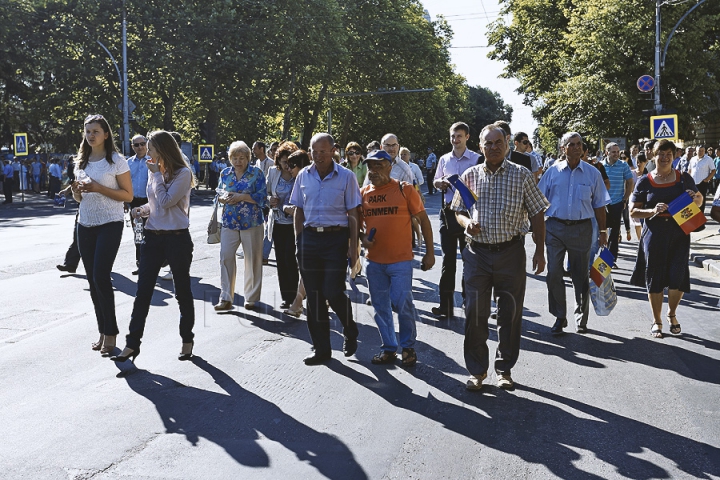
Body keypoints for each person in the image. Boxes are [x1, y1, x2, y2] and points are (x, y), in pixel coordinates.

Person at [452, 124, 548, 390]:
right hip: (477, 254)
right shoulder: (470, 175)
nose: (493, 148)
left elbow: (537, 212)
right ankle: (477, 371)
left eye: (498, 143)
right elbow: (458, 210)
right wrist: (466, 223)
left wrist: (540, 250)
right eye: (487, 144)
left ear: (506, 144)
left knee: (509, 313)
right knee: (475, 313)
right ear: (480, 146)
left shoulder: (522, 175)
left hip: (511, 253)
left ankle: (504, 369)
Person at [112, 130, 196, 363]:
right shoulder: (155, 171)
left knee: (182, 291)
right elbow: (156, 205)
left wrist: (156, 176)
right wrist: (142, 211)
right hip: (153, 237)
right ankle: (131, 345)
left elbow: (168, 202)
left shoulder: (182, 173)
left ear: (162, 149)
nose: (146, 152)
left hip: (177, 238)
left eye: (150, 148)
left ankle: (187, 340)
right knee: (143, 292)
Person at [290, 132, 361, 365]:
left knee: (332, 291)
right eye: (314, 151)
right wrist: (299, 240)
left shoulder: (347, 177)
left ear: (333, 151)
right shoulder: (303, 175)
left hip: (335, 240)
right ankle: (322, 350)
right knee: (314, 296)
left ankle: (350, 329)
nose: (318, 156)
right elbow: (298, 210)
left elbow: (353, 214)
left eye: (323, 151)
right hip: (309, 239)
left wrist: (353, 248)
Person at [360, 150, 435, 367]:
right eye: (370, 166)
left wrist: (430, 253)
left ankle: (408, 347)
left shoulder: (404, 189)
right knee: (380, 306)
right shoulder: (364, 193)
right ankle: (389, 348)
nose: (373, 171)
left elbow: (424, 221)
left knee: (403, 303)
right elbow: (356, 226)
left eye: (378, 166)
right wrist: (363, 239)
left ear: (390, 167)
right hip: (373, 262)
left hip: (400, 261)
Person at [70, 114, 133, 355]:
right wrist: (77, 192)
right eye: (87, 131)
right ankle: (102, 331)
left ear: (106, 134)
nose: (91, 135)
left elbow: (127, 195)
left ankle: (112, 334)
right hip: (85, 223)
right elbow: (80, 199)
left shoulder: (117, 161)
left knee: (101, 276)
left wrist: (98, 188)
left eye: (95, 131)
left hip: (110, 222)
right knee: (93, 280)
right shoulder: (81, 162)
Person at [629, 140, 703, 338]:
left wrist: (694, 197)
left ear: (674, 155)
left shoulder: (683, 178)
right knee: (654, 276)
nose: (665, 157)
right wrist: (653, 210)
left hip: (679, 232)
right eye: (661, 153)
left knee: (677, 274)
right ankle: (657, 320)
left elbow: (699, 199)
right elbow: (633, 211)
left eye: (669, 153)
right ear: (654, 155)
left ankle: (671, 313)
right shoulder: (645, 181)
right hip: (654, 232)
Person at [538, 132, 610, 335]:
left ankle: (581, 317)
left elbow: (599, 205)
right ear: (563, 148)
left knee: (580, 275)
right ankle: (560, 317)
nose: (577, 147)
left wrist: (603, 232)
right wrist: (537, 230)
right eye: (572, 144)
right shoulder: (552, 172)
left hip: (582, 229)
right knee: (553, 273)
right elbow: (539, 202)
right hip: (555, 228)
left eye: (579, 144)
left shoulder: (592, 173)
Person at [432, 122, 481, 318]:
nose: (455, 140)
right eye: (453, 136)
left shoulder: (477, 159)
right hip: (448, 212)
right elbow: (436, 180)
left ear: (467, 137)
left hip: (469, 213)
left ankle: (468, 303)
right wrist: (440, 183)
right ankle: (445, 305)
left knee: (469, 259)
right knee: (448, 260)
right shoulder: (444, 159)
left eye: (459, 136)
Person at [214, 141, 267, 311]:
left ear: (248, 158)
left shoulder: (256, 173)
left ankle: (251, 298)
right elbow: (219, 192)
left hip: (251, 221)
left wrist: (241, 197)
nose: (238, 161)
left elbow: (261, 197)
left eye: (242, 158)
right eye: (235, 158)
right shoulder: (225, 173)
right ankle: (226, 298)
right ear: (230, 159)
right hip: (229, 221)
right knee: (226, 256)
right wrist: (223, 198)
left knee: (252, 259)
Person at [266, 141, 300, 308]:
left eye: (290, 162)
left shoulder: (299, 173)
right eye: (284, 162)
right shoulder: (273, 172)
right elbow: (265, 193)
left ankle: (296, 295)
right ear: (278, 161)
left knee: (291, 258)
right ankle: (286, 296)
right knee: (281, 259)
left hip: (295, 223)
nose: (287, 166)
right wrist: (269, 200)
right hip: (278, 221)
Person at [281, 150, 312, 318]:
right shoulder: (301, 180)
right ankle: (297, 304)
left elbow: (303, 209)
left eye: (291, 165)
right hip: (306, 232)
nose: (288, 169)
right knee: (307, 270)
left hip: (313, 232)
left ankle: (298, 304)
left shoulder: (306, 181)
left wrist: (286, 208)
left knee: (307, 270)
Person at [601, 142, 634, 261]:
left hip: (617, 202)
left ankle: (611, 259)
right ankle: (601, 256)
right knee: (601, 230)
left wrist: (625, 198)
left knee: (614, 232)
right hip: (602, 204)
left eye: (618, 152)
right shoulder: (600, 166)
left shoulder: (623, 165)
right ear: (607, 152)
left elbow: (630, 182)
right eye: (613, 152)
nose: (616, 154)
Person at [126, 134, 151, 275]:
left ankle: (156, 262)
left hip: (151, 202)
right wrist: (125, 201)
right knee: (138, 234)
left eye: (142, 144)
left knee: (153, 233)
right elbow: (124, 183)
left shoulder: (154, 160)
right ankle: (141, 264)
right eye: (137, 145)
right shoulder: (128, 163)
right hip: (135, 202)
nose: (140, 147)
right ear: (132, 147)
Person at [57, 184, 82, 274]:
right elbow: (76, 181)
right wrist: (67, 190)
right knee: (78, 239)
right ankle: (70, 265)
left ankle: (101, 267)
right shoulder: (80, 169)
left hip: (102, 210)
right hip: (83, 208)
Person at [688, 145, 716, 212]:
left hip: (702, 183)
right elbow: (689, 170)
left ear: (704, 151)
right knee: (691, 200)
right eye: (699, 151)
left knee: (701, 201)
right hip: (693, 183)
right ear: (696, 151)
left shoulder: (708, 159)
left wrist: (707, 179)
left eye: (702, 151)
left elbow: (713, 170)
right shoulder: (693, 159)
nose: (700, 152)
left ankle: (701, 218)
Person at [629, 152, 649, 240]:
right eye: (637, 161)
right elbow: (631, 188)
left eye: (641, 162)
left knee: (644, 223)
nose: (639, 164)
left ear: (645, 162)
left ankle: (645, 241)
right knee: (637, 223)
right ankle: (640, 241)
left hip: (645, 201)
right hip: (634, 199)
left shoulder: (649, 174)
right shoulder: (632, 173)